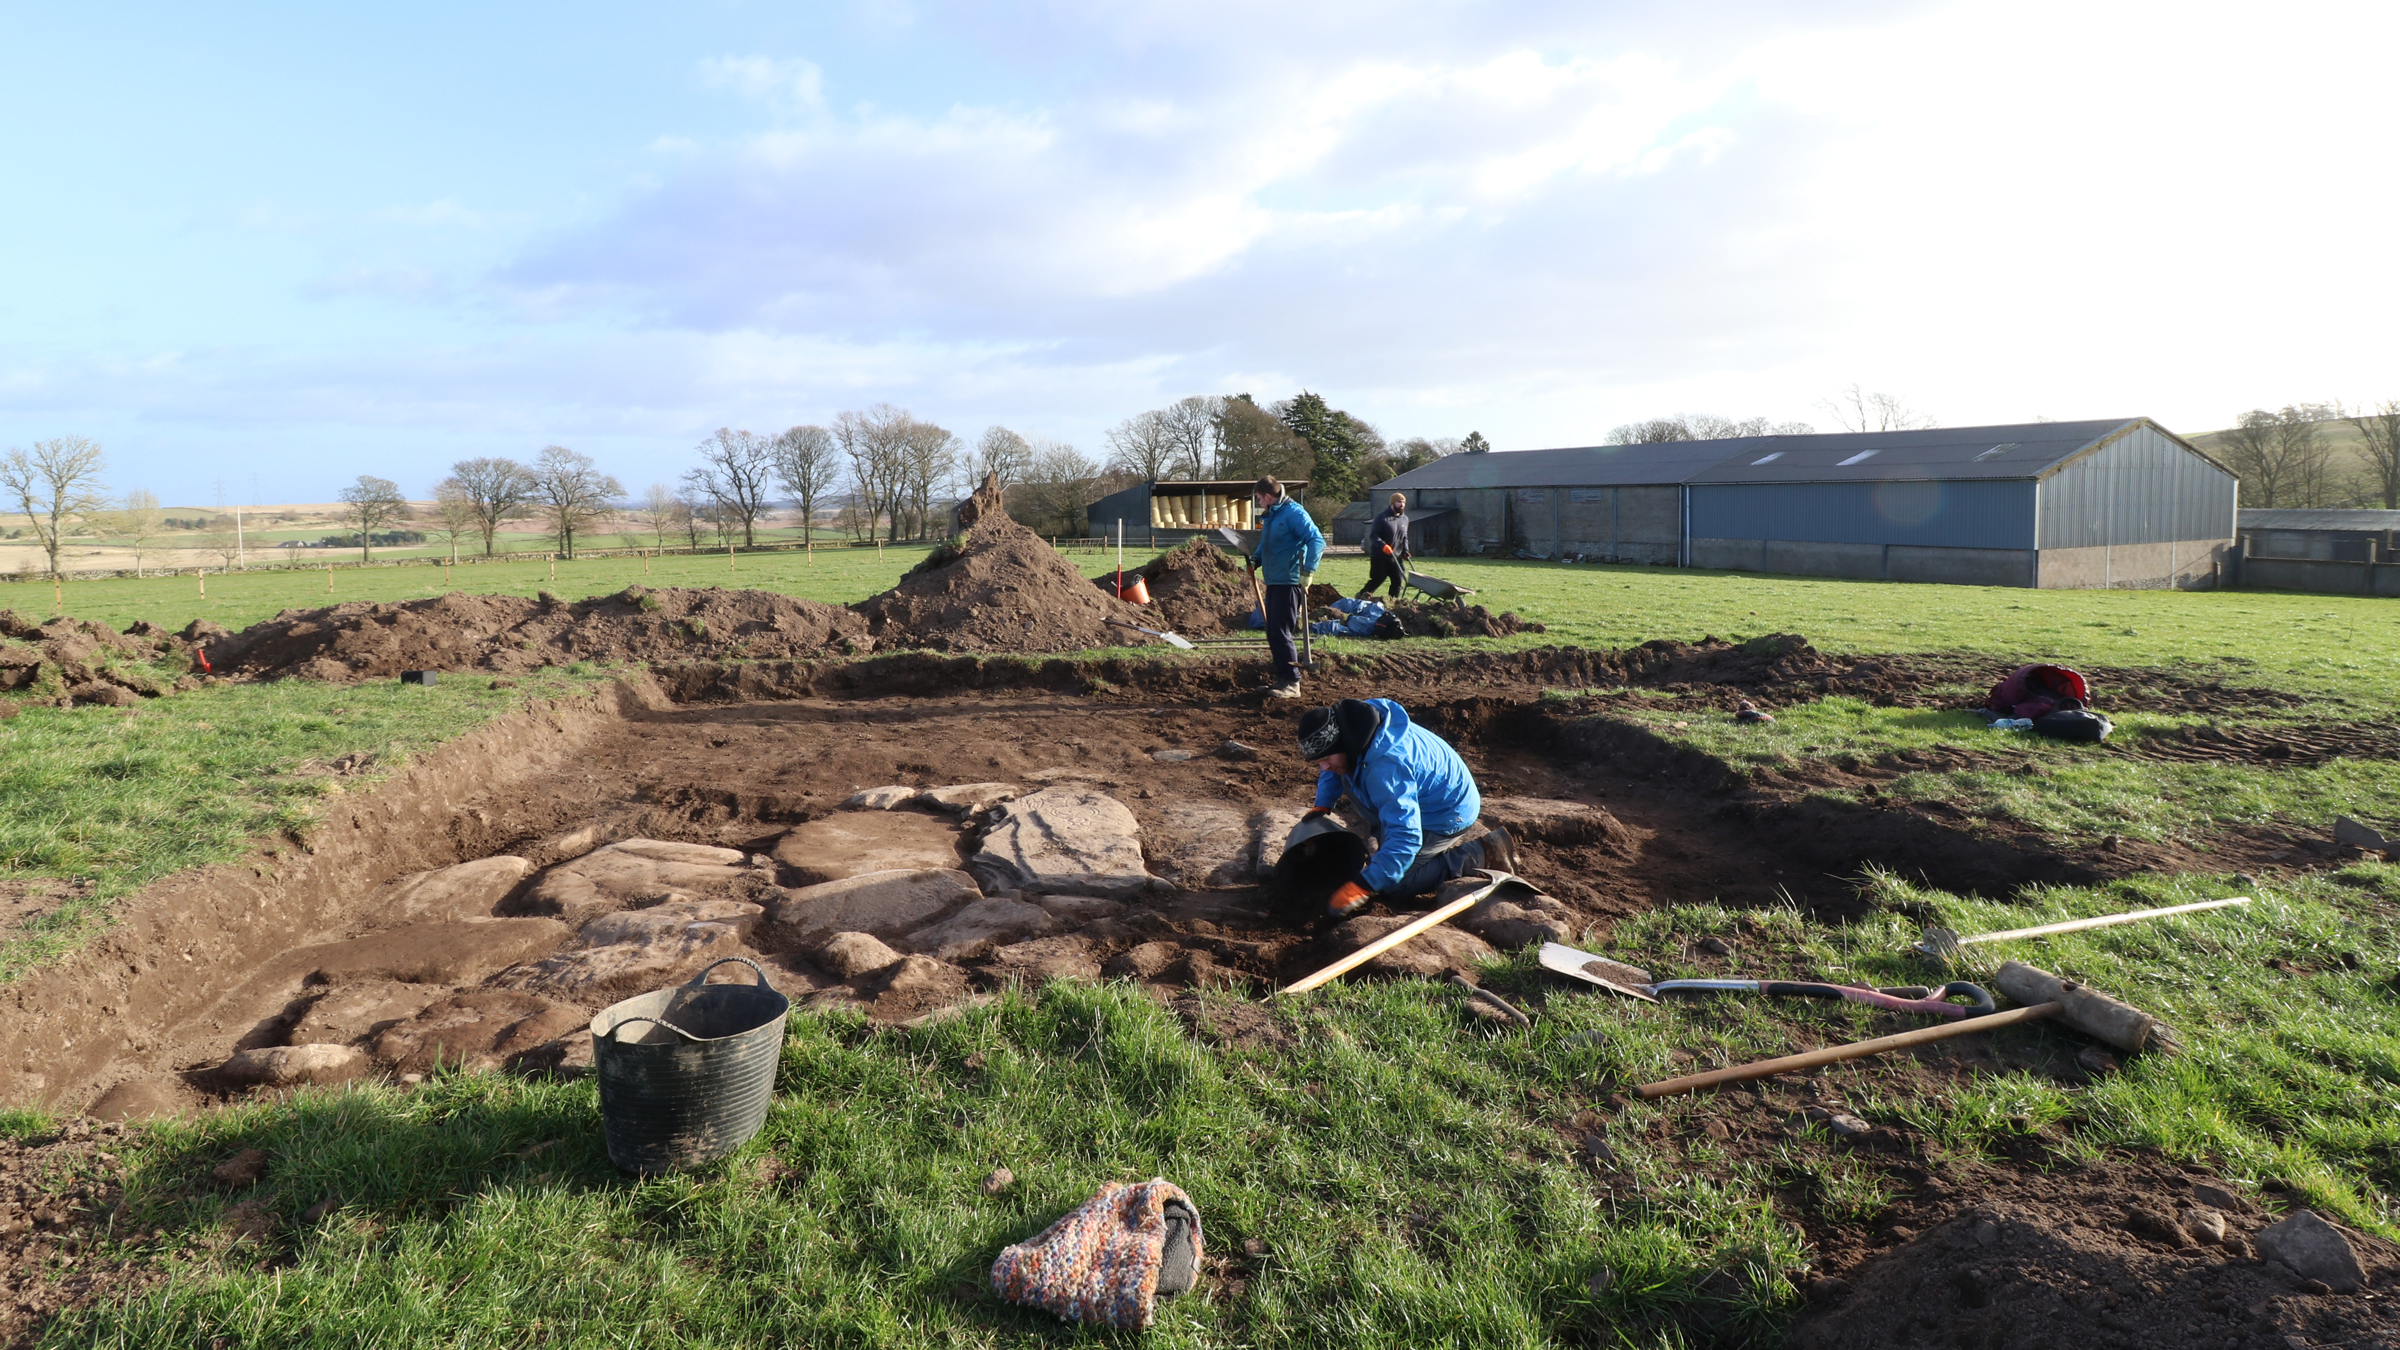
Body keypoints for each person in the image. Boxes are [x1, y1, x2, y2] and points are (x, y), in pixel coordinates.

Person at [1295, 698, 1517, 918]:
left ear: (1344, 744)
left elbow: (1406, 837)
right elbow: (1332, 764)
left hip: (1448, 810)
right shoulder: (1355, 724)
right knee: (1347, 775)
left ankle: (1480, 854)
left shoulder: (1385, 768)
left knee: (1395, 884)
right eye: (1318, 761)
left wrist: (1365, 884)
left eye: (1325, 759)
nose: (1323, 767)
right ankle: (1387, 838)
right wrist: (1323, 803)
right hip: (1425, 790)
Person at [1246, 475, 1324, 699]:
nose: (1259, 503)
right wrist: (1256, 560)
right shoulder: (1273, 515)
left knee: (1281, 632)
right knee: (1273, 631)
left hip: (1289, 582)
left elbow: (1316, 540)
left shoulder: (1294, 513)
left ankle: (1292, 682)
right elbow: (1266, 543)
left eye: (1260, 499)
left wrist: (1308, 572)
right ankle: (1282, 678)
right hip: (1274, 580)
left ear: (1269, 496)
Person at [1357, 492, 1410, 600]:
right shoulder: (1382, 518)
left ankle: (1392, 602)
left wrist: (1405, 550)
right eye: (1399, 502)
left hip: (1396, 557)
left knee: (1398, 581)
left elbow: (1404, 537)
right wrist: (1383, 546)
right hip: (1380, 557)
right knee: (1378, 579)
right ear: (1392, 503)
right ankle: (1361, 596)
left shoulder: (1405, 519)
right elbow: (1373, 536)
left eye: (1403, 502)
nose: (1402, 505)